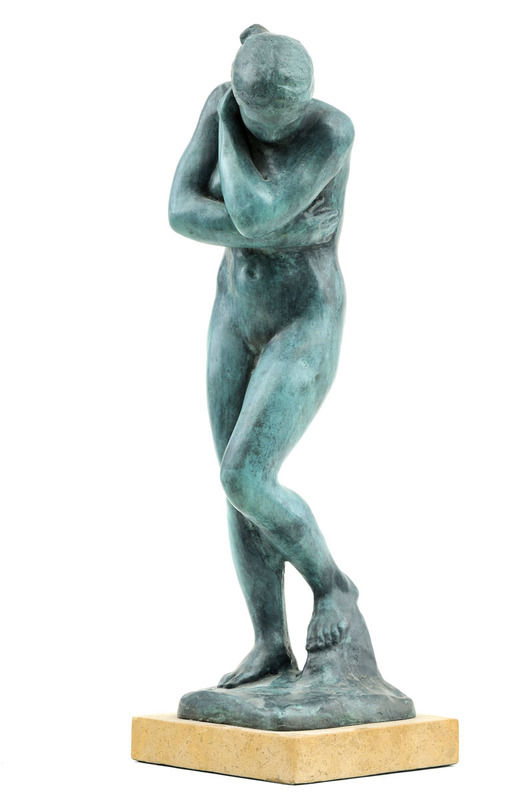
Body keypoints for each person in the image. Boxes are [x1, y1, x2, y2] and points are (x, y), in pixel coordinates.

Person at [169, 25, 359, 689]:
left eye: (289, 112)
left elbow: (253, 212)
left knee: (246, 475)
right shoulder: (222, 103)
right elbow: (179, 210)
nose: (277, 128)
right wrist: (277, 230)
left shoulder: (331, 131)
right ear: (241, 96)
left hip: (304, 318)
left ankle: (331, 585)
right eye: (260, 116)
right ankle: (270, 642)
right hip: (234, 312)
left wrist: (229, 128)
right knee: (234, 487)